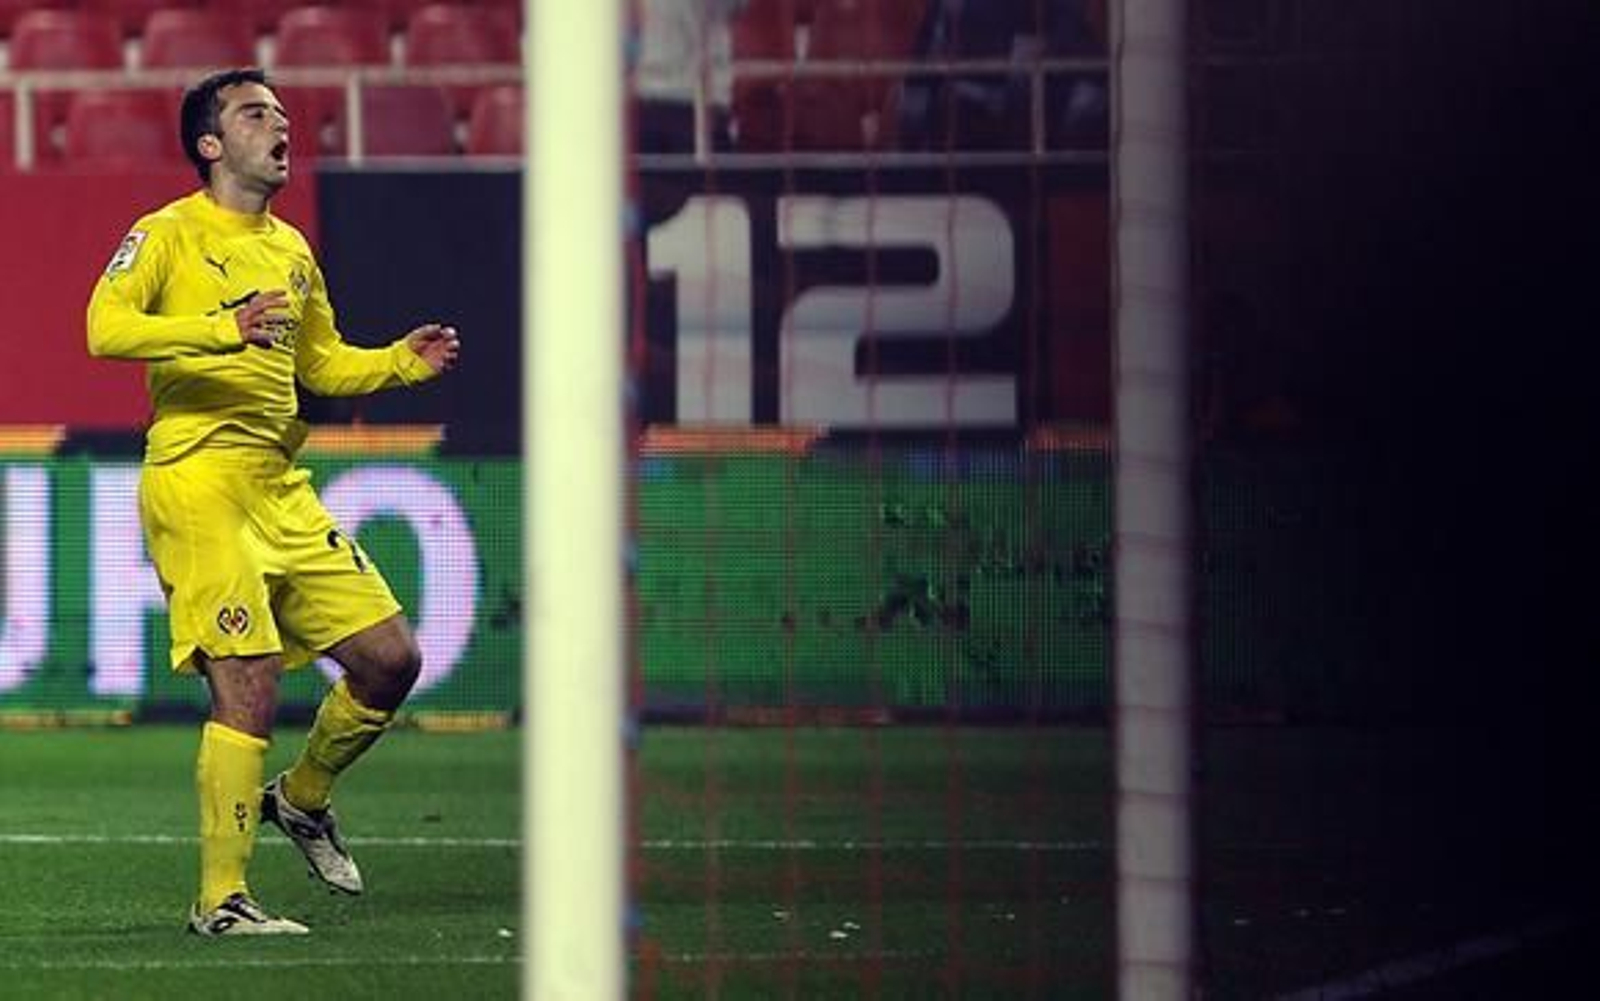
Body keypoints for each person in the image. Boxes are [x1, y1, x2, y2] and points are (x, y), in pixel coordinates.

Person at [85, 68, 461, 936]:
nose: (280, 125)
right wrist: (222, 329)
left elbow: (321, 365)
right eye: (257, 114)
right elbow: (104, 328)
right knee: (246, 678)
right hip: (196, 476)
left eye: (285, 114)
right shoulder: (167, 234)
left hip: (277, 486)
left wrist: (400, 360)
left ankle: (301, 797)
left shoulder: (291, 251)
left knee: (389, 659)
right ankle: (220, 900)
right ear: (210, 144)